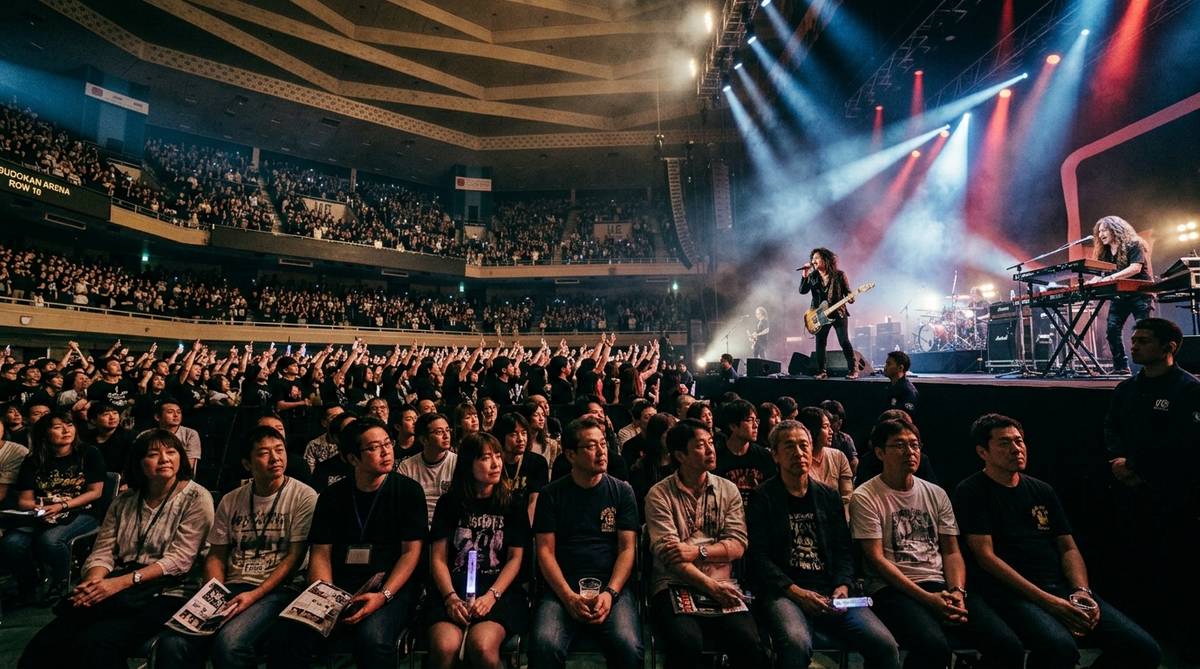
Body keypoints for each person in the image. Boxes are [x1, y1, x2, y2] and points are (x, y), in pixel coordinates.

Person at [955, 413, 1161, 669]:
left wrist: (1081, 591)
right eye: (1004, 443)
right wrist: (1048, 602)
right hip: (1012, 594)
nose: (1016, 449)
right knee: (1060, 648)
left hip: (1060, 588)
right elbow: (985, 557)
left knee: (1143, 649)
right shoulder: (972, 491)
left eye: (1019, 441)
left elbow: (1068, 547)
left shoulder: (1042, 490)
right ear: (982, 452)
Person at [19, 429, 214, 669]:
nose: (164, 459)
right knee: (46, 642)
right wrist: (94, 583)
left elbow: (180, 560)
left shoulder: (196, 497)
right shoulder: (124, 500)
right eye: (153, 454)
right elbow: (103, 550)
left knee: (96, 642)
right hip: (121, 587)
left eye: (171, 452)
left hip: (170, 591)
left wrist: (118, 584)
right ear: (139, 462)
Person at [850, 419, 1023, 669]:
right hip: (892, 589)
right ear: (880, 453)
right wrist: (927, 599)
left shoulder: (936, 493)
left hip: (940, 585)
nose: (910, 452)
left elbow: (951, 551)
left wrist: (957, 592)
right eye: (899, 445)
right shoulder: (866, 496)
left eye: (914, 445)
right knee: (933, 647)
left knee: (1008, 646)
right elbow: (876, 559)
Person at [267, 417, 427, 669]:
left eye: (387, 443)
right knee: (287, 636)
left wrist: (383, 596)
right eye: (373, 447)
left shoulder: (408, 491)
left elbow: (411, 553)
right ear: (352, 458)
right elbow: (321, 553)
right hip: (340, 585)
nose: (386, 451)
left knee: (372, 639)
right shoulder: (333, 496)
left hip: (390, 586)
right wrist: (327, 596)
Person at [155, 426, 318, 669]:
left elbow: (295, 557)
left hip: (277, 589)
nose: (275, 458)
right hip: (232, 586)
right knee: (173, 643)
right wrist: (214, 594)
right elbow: (216, 555)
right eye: (264, 453)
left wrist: (254, 595)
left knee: (230, 644)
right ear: (247, 464)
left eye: (280, 450)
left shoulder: (304, 496)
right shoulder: (231, 499)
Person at [747, 420, 900, 669]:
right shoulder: (763, 497)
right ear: (775, 455)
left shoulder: (828, 496)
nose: (799, 453)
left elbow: (844, 551)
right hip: (785, 592)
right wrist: (797, 592)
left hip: (830, 591)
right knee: (795, 643)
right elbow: (758, 558)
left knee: (884, 645)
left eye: (803, 445)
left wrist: (843, 585)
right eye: (789, 447)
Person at [1103, 317, 1200, 659]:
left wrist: (1136, 467)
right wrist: (1117, 461)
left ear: (1168, 347)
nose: (1134, 346)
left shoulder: (1189, 391)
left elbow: (1184, 443)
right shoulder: (1126, 389)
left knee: (1173, 569)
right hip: (1128, 495)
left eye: (1143, 341)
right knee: (1133, 565)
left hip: (1170, 498)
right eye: (1133, 340)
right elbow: (1111, 429)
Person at [643, 419, 769, 669]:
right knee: (686, 642)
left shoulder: (728, 489)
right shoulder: (659, 494)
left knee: (750, 643)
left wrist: (696, 551)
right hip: (673, 583)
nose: (711, 450)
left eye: (711, 442)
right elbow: (671, 557)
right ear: (680, 455)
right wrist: (711, 586)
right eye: (701, 446)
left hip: (724, 582)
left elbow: (737, 544)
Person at [529, 415, 643, 669]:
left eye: (603, 443)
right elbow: (545, 551)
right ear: (570, 455)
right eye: (591, 446)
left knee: (628, 645)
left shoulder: (622, 491)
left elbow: (627, 549)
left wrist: (610, 593)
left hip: (612, 585)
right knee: (545, 645)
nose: (602, 452)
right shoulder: (551, 494)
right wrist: (568, 596)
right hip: (562, 586)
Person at [426, 432, 529, 669]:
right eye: (485, 458)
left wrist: (491, 596)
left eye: (498, 456)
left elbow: (515, 559)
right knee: (444, 648)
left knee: (481, 647)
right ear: (467, 464)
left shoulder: (513, 503)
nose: (495, 464)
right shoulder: (449, 503)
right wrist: (450, 597)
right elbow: (438, 558)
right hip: (453, 588)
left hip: (499, 589)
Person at [0, 409, 106, 602]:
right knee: (11, 544)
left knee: (50, 541)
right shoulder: (33, 460)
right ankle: (31, 584)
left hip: (83, 512)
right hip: (43, 513)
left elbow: (95, 492)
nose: (66, 430)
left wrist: (62, 505)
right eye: (58, 427)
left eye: (70, 425)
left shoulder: (89, 453)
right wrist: (40, 508)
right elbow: (24, 501)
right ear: (45, 434)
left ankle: (61, 582)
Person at [1086, 216, 1154, 374]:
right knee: (1112, 331)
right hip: (1120, 296)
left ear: (1116, 229)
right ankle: (1121, 367)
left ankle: (1151, 368)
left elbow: (1135, 268)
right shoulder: (1105, 251)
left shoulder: (1134, 244)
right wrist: (1088, 283)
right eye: (1099, 231)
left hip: (1140, 294)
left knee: (1145, 332)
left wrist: (1111, 277)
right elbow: (1101, 274)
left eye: (1105, 230)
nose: (1101, 234)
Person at [800, 247, 858, 379]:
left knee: (844, 341)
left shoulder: (839, 275)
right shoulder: (813, 276)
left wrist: (851, 298)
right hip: (819, 314)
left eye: (816, 258)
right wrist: (805, 273)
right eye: (812, 258)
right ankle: (821, 371)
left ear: (825, 259)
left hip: (838, 313)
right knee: (820, 343)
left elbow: (848, 292)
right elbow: (802, 291)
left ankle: (853, 370)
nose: (813, 261)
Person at [395, 411, 456, 527]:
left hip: (448, 524)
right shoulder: (406, 467)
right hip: (416, 524)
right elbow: (401, 505)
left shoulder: (458, 463)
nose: (446, 435)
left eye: (448, 430)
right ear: (424, 440)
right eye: (439, 432)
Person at [714, 399, 776, 505]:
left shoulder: (764, 456)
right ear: (733, 426)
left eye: (756, 420)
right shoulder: (717, 457)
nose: (755, 425)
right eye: (750, 420)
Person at [494, 412, 547, 525]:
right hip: (497, 521)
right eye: (514, 434)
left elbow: (534, 501)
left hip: (524, 523)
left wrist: (529, 529)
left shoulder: (537, 462)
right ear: (501, 437)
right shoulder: (494, 463)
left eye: (524, 433)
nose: (521, 439)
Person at [796, 407, 854, 507]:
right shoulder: (798, 459)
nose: (831, 431)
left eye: (830, 426)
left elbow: (847, 497)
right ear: (811, 430)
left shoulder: (838, 457)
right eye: (825, 426)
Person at [628, 413, 677, 515]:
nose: (673, 438)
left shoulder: (681, 461)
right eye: (668, 433)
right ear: (657, 436)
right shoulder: (641, 467)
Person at [84, 400, 133, 474]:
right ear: (93, 420)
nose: (112, 417)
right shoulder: (86, 439)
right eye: (106, 414)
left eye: (115, 413)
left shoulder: (130, 437)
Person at [155, 398, 202, 473]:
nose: (176, 415)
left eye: (179, 412)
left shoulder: (190, 434)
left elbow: (189, 465)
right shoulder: (146, 435)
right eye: (170, 412)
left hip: (181, 475)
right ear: (157, 417)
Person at [820, 399, 859, 476]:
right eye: (834, 420)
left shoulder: (845, 439)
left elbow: (854, 462)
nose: (839, 422)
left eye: (841, 419)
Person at [303, 404, 345, 474]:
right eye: (334, 417)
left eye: (343, 416)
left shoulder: (353, 440)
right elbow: (309, 472)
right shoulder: (313, 445)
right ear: (324, 422)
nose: (340, 420)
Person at [883, 351, 917, 418]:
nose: (885, 367)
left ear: (900, 368)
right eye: (886, 364)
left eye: (889, 364)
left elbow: (905, 419)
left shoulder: (908, 392)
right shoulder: (888, 387)